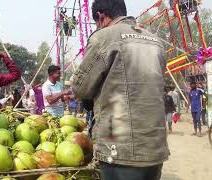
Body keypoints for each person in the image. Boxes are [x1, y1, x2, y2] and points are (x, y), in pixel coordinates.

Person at [71, 0, 170, 180]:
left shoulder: (104, 37)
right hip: (155, 148)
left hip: (119, 149)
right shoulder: (156, 42)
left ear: (100, 16)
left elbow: (80, 88)